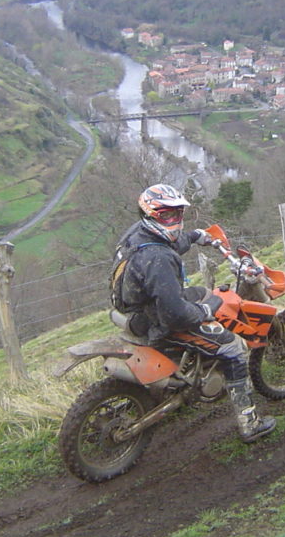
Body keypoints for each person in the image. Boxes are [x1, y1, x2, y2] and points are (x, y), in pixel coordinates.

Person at [111, 183, 275, 443]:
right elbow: (176, 315)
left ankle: (191, 363)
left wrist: (196, 236)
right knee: (234, 347)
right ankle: (250, 424)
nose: (174, 221)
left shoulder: (139, 235)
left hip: (138, 308)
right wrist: (205, 310)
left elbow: (170, 241)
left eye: (178, 214)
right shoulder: (158, 259)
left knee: (202, 291)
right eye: (167, 215)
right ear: (151, 215)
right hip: (158, 320)